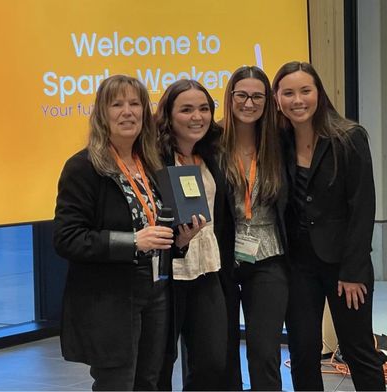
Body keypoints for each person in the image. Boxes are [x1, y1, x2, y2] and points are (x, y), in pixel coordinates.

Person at [53, 75, 201, 391]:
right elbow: (67, 238)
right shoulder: (83, 167)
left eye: (135, 104)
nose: (127, 112)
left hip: (157, 288)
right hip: (111, 295)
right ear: (101, 114)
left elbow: (160, 231)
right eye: (117, 104)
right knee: (117, 383)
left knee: (149, 380)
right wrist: (133, 242)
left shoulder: (150, 163)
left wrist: (181, 241)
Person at [272, 61, 386, 391]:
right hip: (297, 266)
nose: (297, 100)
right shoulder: (279, 142)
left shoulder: (349, 137)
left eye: (305, 91)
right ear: (277, 98)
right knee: (304, 352)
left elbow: (362, 208)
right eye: (288, 92)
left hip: (344, 267)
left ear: (319, 94)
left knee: (358, 350)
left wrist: (352, 271)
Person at [155, 79, 229, 391]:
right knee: (160, 364)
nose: (197, 116)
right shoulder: (152, 158)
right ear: (169, 116)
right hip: (167, 276)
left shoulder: (211, 155)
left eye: (203, 109)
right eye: (186, 110)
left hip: (207, 270)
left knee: (213, 363)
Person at [219, 65, 289, 391]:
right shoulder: (211, 143)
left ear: (268, 101)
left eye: (257, 96)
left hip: (269, 256)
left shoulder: (279, 144)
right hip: (221, 258)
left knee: (264, 353)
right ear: (230, 97)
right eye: (242, 95)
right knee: (223, 350)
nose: (249, 103)